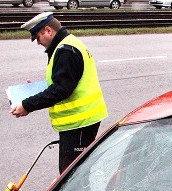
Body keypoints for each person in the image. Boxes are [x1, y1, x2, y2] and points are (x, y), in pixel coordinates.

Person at [12, 12, 108, 174]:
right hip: (78, 123)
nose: (37, 43)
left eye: (37, 37)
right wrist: (36, 90)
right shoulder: (67, 45)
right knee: (73, 175)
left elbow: (61, 90)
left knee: (71, 177)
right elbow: (63, 83)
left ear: (48, 31)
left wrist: (27, 105)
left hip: (80, 123)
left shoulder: (66, 51)